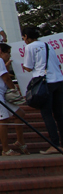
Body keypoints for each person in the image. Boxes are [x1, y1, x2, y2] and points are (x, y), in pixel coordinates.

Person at [22, 26, 63, 155]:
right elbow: (58, 64)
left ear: (26, 37)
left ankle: (55, 145)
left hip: (45, 83)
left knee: (47, 114)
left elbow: (28, 67)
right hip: (59, 81)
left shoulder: (29, 47)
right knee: (60, 114)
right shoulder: (47, 45)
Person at [0, 43, 28, 156]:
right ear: (1, 52)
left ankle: (20, 141)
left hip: (0, 95)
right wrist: (14, 90)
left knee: (20, 114)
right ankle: (5, 150)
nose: (9, 55)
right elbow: (6, 78)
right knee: (4, 120)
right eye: (8, 53)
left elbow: (2, 75)